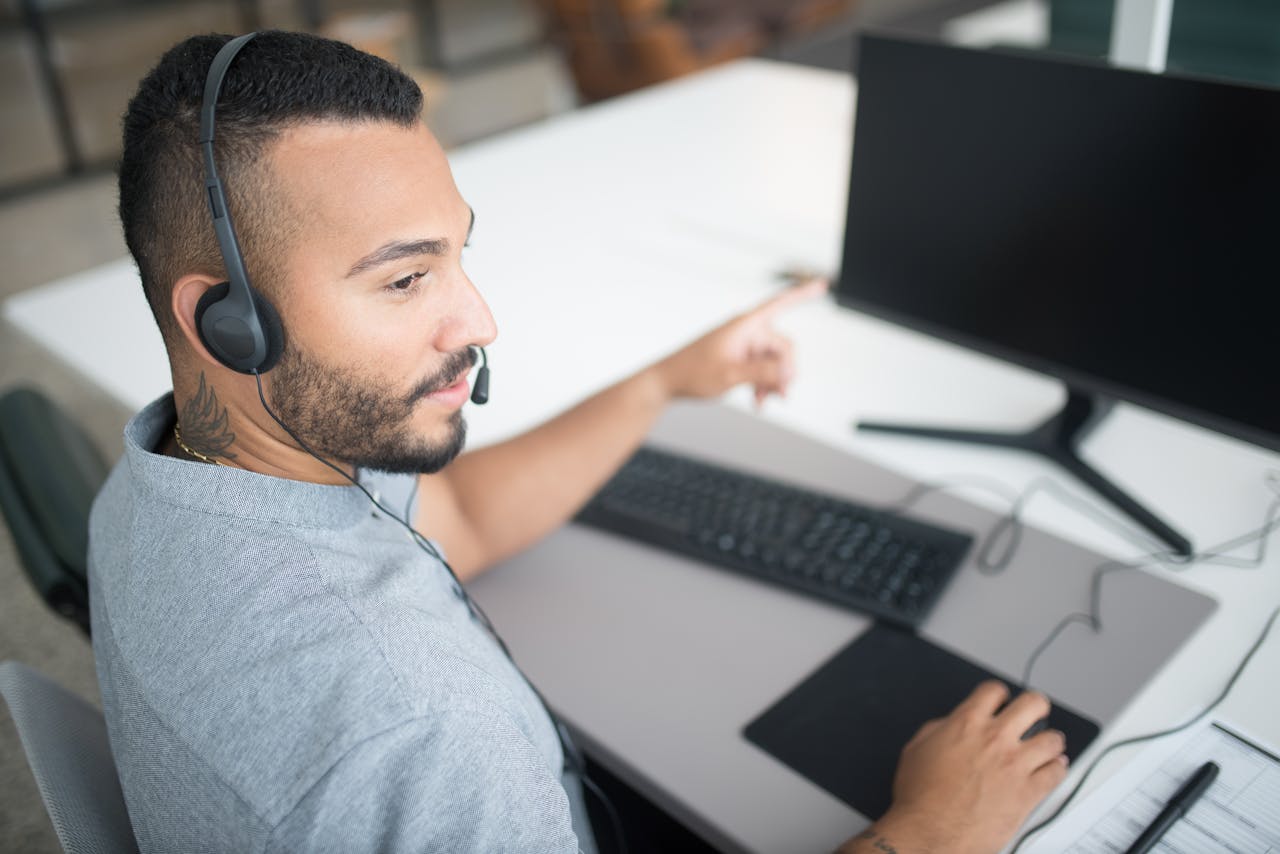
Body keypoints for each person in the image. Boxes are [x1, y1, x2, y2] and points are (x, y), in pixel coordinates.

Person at [91, 30, 1069, 854]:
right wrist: (929, 831)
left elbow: (461, 516)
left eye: (457, 253)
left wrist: (660, 384)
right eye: (404, 280)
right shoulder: (428, 730)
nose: (478, 321)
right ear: (225, 321)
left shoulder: (164, 480)